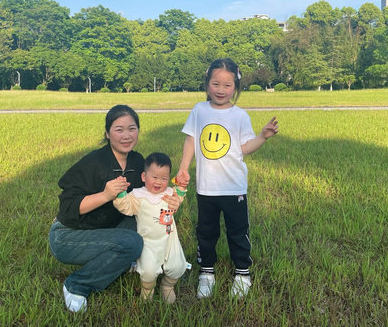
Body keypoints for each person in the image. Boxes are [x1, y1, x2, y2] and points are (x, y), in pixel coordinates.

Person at [48, 105, 181, 313]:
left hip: (107, 229)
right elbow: (67, 207)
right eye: (119, 129)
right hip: (69, 236)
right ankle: (77, 285)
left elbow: (151, 194)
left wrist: (173, 200)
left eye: (132, 128)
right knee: (132, 242)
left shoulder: (137, 162)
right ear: (108, 133)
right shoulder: (94, 163)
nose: (126, 135)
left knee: (148, 220)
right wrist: (105, 195)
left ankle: (134, 261)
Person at [175, 58, 278, 299]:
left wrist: (262, 137)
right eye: (216, 84)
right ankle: (206, 272)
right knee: (206, 232)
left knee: (237, 232)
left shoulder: (239, 115)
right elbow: (191, 139)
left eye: (227, 85)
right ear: (207, 83)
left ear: (236, 87)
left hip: (233, 188)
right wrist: (183, 168)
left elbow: (243, 148)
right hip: (206, 188)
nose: (221, 90)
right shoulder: (199, 110)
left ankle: (242, 273)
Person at [113, 152, 188, 303]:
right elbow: (125, 206)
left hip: (170, 239)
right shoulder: (138, 196)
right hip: (148, 241)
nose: (159, 182)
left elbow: (179, 196)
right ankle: (147, 289)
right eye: (154, 177)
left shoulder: (169, 193)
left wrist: (182, 185)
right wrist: (121, 193)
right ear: (143, 176)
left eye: (164, 178)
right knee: (148, 270)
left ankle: (167, 286)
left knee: (178, 266)